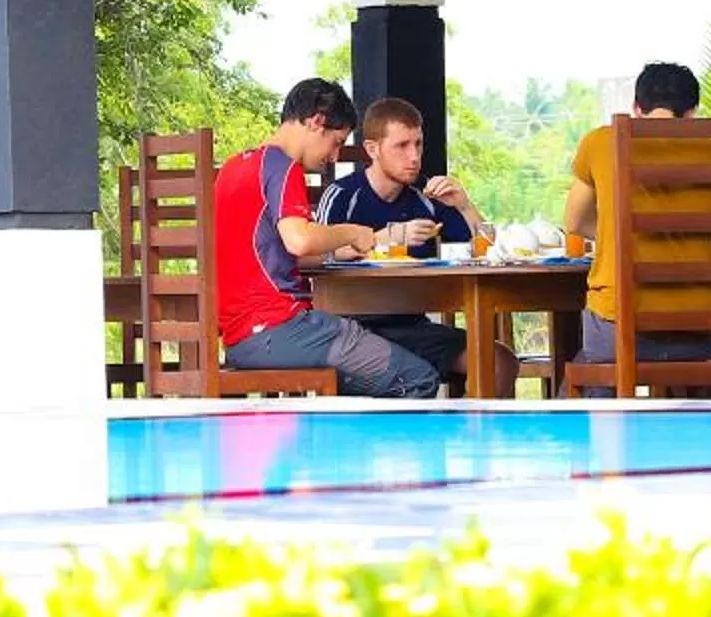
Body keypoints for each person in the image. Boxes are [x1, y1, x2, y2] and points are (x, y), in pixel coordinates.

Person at [214, 77, 444, 398]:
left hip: (240, 340)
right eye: (337, 142)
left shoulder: (232, 168)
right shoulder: (283, 167)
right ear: (316, 121)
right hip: (279, 329)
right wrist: (353, 231)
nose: (335, 156)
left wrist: (342, 248)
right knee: (417, 378)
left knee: (368, 381)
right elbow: (300, 240)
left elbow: (273, 252)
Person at [314, 97, 513, 396]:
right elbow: (321, 254)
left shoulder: (426, 196)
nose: (414, 157)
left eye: (418, 144)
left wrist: (464, 205)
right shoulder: (342, 195)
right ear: (372, 149)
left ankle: (471, 428)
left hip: (414, 327)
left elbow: (489, 250)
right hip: (353, 333)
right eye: (402, 146)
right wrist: (387, 237)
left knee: (500, 361)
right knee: (410, 374)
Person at [563, 62, 711, 372]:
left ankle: (598, 403)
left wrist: (617, 233)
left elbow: (574, 223)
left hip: (618, 327)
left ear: (637, 107)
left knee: (586, 372)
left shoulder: (600, 142)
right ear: (692, 112)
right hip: (698, 329)